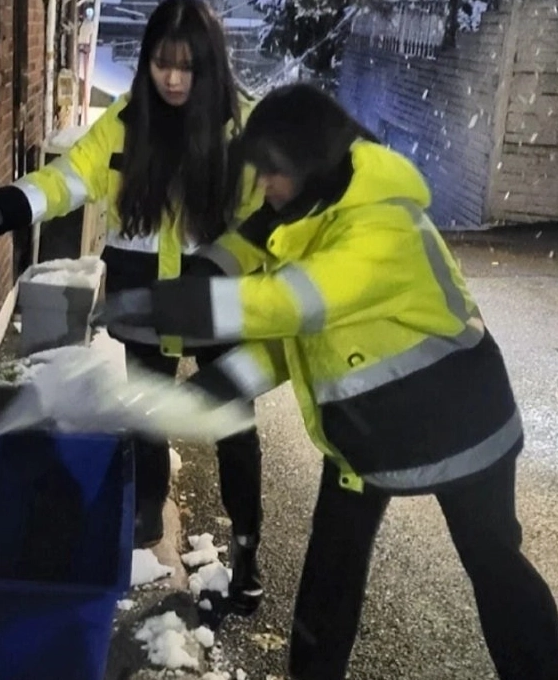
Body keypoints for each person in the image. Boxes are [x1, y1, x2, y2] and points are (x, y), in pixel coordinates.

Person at [104, 83, 558, 679]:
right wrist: (220, 383)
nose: (263, 188)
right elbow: (298, 345)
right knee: (328, 582)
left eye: (272, 173)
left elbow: (293, 304)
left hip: (462, 426)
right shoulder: (309, 213)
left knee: (496, 570)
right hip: (361, 437)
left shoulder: (381, 225)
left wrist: (175, 306)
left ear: (310, 162)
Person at [0, 0, 267, 612]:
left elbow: (272, 216)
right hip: (145, 302)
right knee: (147, 413)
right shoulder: (126, 124)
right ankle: (146, 510)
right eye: (161, 64)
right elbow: (70, 177)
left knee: (234, 426)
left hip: (217, 303)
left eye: (188, 67)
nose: (174, 79)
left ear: (211, 65)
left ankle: (248, 549)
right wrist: (11, 205)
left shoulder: (244, 129)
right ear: (146, 63)